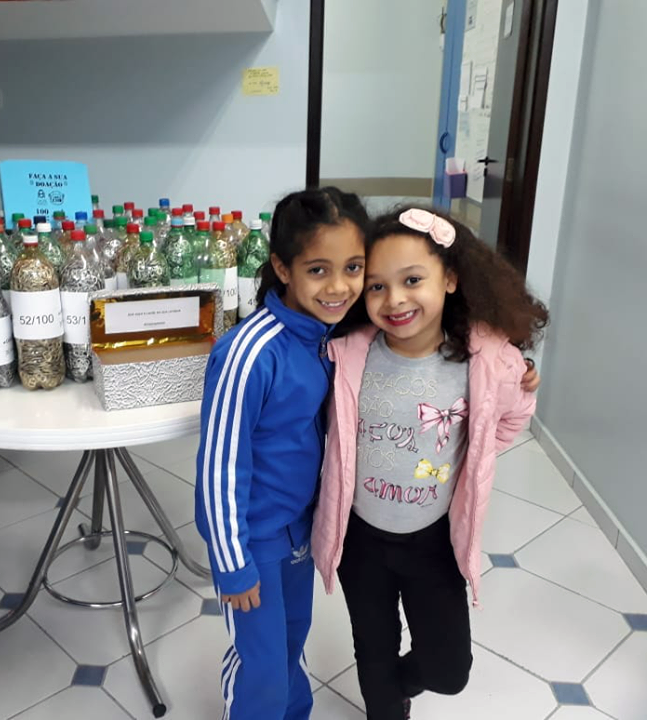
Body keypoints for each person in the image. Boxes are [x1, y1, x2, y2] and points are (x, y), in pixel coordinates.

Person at [311, 206, 549, 720]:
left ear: (451, 279)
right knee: (373, 651)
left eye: (412, 280)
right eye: (376, 286)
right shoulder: (346, 354)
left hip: (433, 541)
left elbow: (513, 414)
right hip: (361, 539)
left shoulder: (486, 361)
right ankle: (385, 700)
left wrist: (477, 454)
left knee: (449, 670)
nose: (394, 299)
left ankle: (394, 684)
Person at [194, 186, 370, 719]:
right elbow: (219, 467)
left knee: (292, 640)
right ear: (282, 268)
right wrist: (233, 564)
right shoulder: (249, 354)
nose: (339, 286)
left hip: (300, 530)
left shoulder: (330, 335)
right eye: (318, 270)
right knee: (262, 666)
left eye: (353, 267)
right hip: (254, 540)